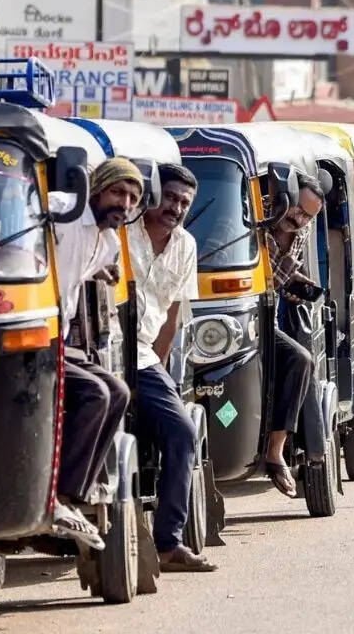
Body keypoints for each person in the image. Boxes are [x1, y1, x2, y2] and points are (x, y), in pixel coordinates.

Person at [51, 158, 144, 550]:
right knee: (95, 394)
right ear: (96, 190)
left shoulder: (105, 240)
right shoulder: (60, 210)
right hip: (30, 335)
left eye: (132, 197)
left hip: (57, 341)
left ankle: (73, 494)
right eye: (117, 192)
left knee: (118, 393)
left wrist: (103, 272)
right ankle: (56, 495)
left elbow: (97, 264)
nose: (124, 203)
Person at [126, 164, 215, 572]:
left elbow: (174, 313)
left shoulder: (186, 246)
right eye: (171, 198)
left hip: (143, 357)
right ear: (153, 194)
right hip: (97, 350)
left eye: (183, 203)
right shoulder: (121, 230)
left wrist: (159, 370)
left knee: (183, 431)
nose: (175, 208)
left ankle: (168, 543)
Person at [261, 172, 328, 495]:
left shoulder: (302, 231)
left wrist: (299, 285)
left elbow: (284, 272)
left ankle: (276, 452)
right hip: (233, 318)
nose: (299, 220)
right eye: (297, 210)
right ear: (282, 198)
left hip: (267, 321)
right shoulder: (253, 220)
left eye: (307, 216)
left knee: (302, 360)